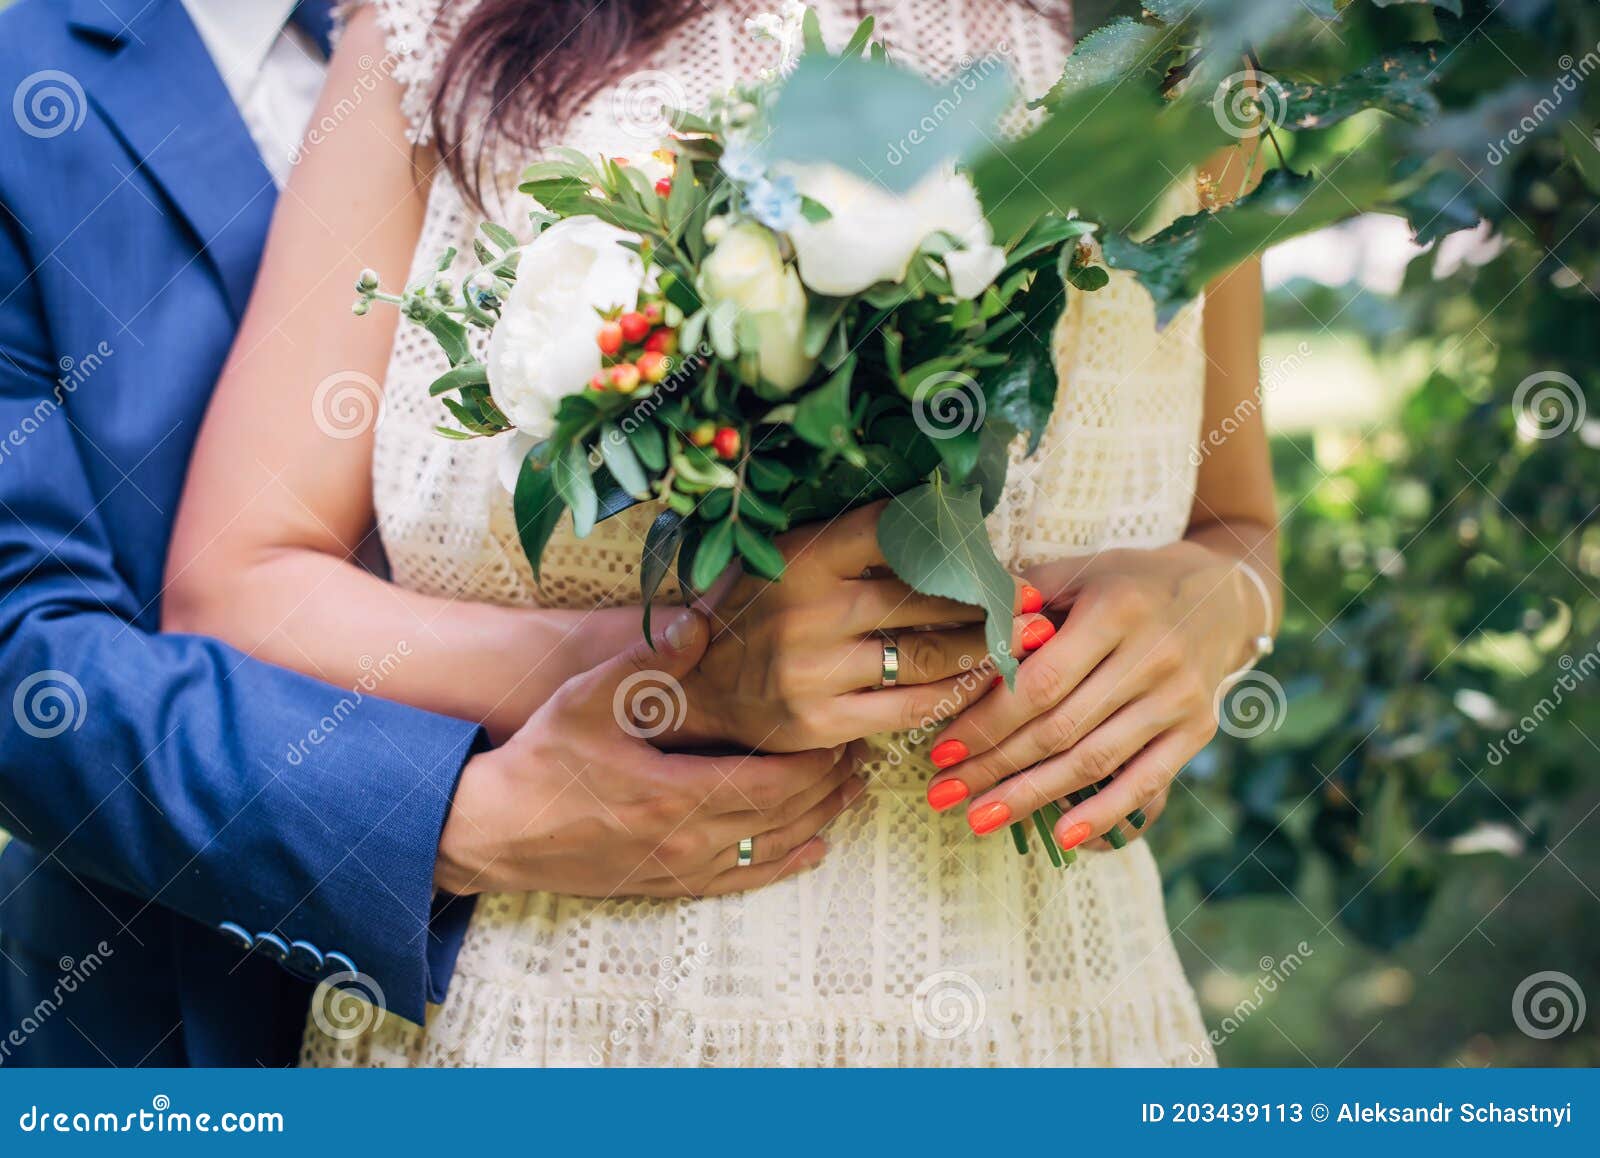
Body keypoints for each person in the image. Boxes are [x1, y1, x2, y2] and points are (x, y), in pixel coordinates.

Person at [167, 0, 1282, 1066]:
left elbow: (1236, 526)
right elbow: (238, 584)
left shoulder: (1189, 39)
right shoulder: (439, 27)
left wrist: (1209, 604)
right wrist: (675, 668)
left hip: (1044, 1017)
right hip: (559, 1026)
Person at [0, 0, 874, 1068]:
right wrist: (450, 818)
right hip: (184, 1017)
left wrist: (1143, 579)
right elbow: (20, 655)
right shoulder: (23, 89)